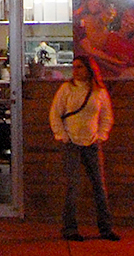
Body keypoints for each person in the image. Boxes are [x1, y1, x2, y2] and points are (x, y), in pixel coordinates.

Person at [49, 55, 119, 241]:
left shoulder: (99, 92)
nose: (76, 71)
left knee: (99, 186)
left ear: (89, 69)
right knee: (72, 186)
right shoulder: (67, 89)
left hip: (91, 143)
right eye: (74, 67)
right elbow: (55, 114)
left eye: (79, 67)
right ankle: (69, 228)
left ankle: (105, 228)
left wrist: (101, 136)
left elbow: (106, 116)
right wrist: (63, 136)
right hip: (71, 142)